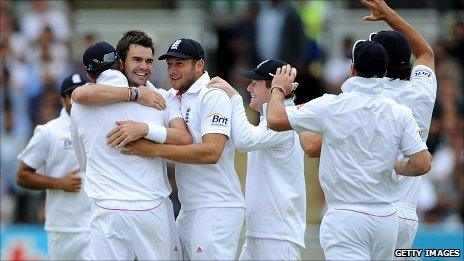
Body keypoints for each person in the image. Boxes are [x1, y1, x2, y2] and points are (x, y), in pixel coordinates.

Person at [266, 41, 432, 259]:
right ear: (383, 71)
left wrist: (279, 90)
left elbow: (274, 119)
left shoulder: (332, 105)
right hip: (387, 218)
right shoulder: (399, 112)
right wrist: (398, 167)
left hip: (345, 216)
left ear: (352, 69)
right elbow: (422, 163)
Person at [305, 0, 438, 252]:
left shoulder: (363, 103)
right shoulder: (421, 90)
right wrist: (389, 14)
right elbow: (425, 53)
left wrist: (301, 112)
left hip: (369, 209)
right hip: (406, 215)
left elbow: (313, 147)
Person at [120, 38, 245, 260]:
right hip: (189, 208)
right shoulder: (172, 96)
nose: (172, 70)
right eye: (169, 64)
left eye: (180, 64)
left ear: (199, 65)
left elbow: (211, 152)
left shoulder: (213, 96)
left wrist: (153, 150)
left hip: (216, 206)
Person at [70, 41, 191, 260]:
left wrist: (144, 130)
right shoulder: (159, 99)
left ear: (89, 75)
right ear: (120, 63)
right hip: (150, 208)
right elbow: (183, 138)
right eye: (137, 60)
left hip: (106, 210)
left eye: (148, 61)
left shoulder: (81, 103)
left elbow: (83, 161)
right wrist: (136, 96)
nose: (143, 66)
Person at [207, 59, 306, 260]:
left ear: (273, 89)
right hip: (261, 232)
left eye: (255, 83)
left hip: (278, 237)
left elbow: (244, 141)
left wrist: (234, 97)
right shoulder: (269, 120)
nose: (249, 87)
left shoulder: (285, 118)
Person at [16, 73, 91, 260]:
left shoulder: (99, 127)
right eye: (72, 95)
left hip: (96, 224)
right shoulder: (48, 132)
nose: (78, 99)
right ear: (63, 100)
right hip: (63, 228)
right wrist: (60, 183)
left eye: (82, 93)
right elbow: (22, 176)